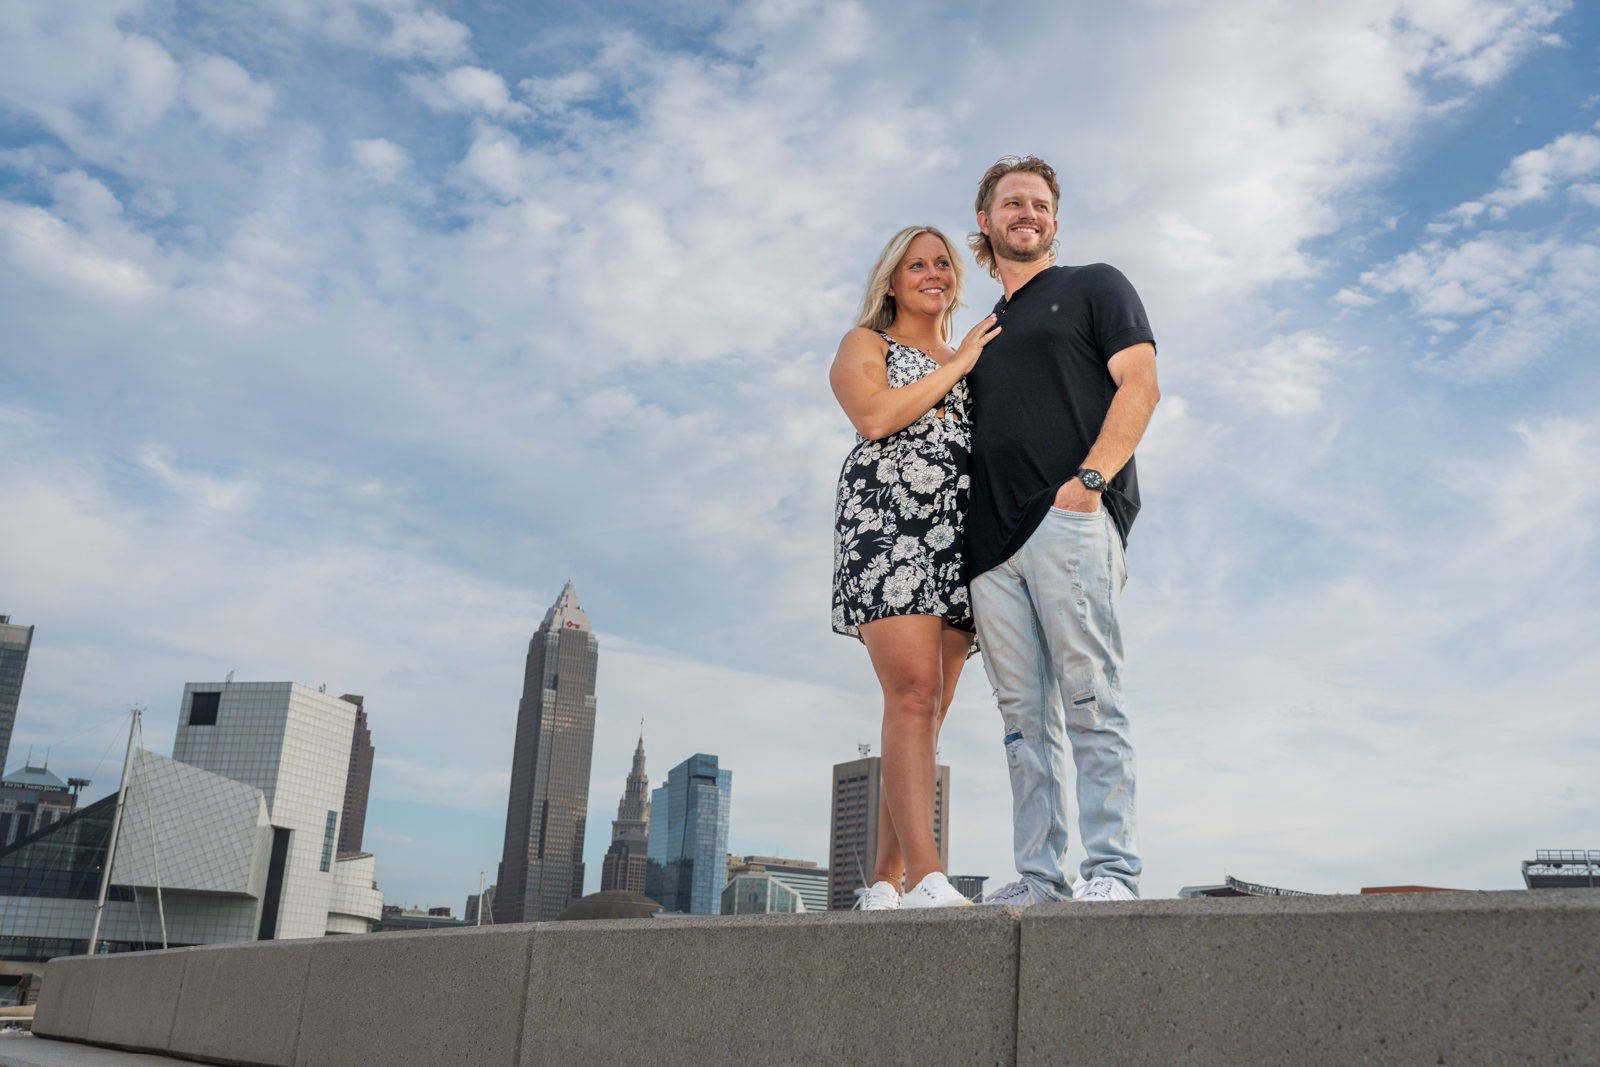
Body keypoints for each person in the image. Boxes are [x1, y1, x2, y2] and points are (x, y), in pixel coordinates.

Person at [963, 157, 1162, 906]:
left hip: (1068, 519)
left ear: (1054, 219)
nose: (1028, 213)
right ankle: (1041, 878)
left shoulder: (1095, 285)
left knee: (1089, 696)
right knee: (1022, 723)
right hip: (989, 550)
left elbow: (1140, 385)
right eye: (1011, 203)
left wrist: (1088, 485)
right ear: (984, 220)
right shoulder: (979, 330)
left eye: (1040, 204)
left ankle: (1112, 869)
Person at [830, 226, 1001, 910]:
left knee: (929, 713)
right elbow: (873, 417)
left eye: (942, 263)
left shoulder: (975, 354)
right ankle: (929, 874)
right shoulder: (867, 344)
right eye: (916, 265)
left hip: (959, 536)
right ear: (892, 282)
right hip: (889, 524)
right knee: (910, 694)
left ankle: (882, 882)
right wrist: (956, 367)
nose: (932, 273)